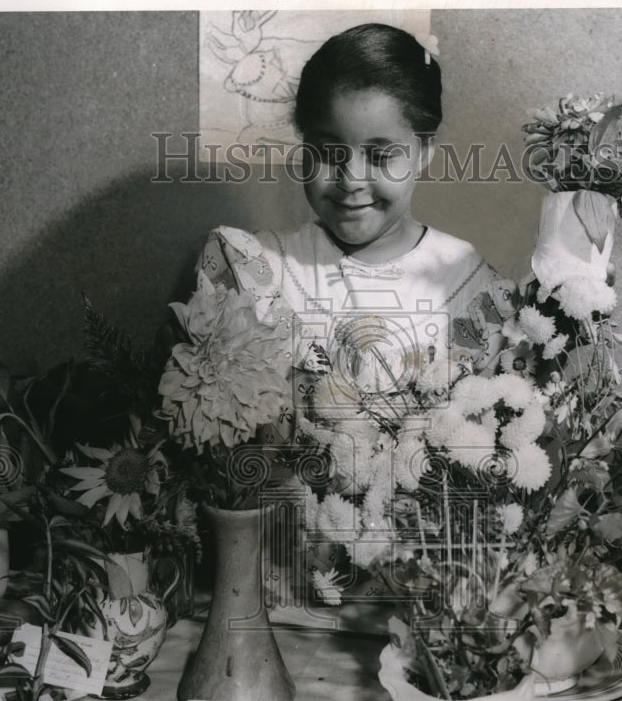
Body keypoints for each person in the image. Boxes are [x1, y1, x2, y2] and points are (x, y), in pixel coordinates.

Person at [197, 23, 512, 419]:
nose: (350, 181)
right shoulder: (257, 267)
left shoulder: (469, 285)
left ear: (424, 151)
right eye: (328, 152)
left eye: (380, 157)